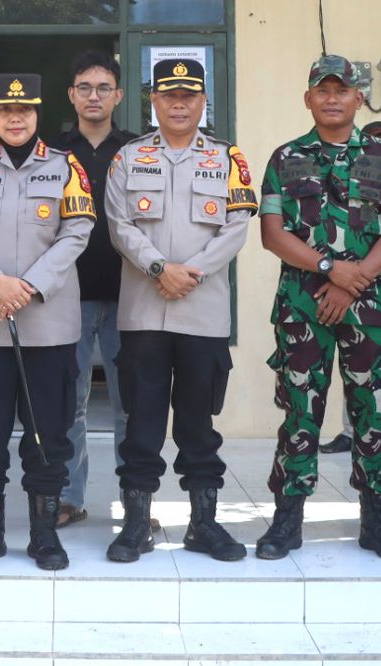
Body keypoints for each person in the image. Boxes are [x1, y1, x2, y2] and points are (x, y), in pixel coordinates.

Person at [256, 56, 381, 563]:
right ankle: (287, 518)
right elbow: (272, 234)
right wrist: (330, 268)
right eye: (322, 90)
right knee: (299, 409)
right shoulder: (285, 157)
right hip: (302, 306)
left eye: (341, 90)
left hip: (370, 305)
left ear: (358, 98)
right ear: (307, 99)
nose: (331, 98)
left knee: (375, 409)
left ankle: (377, 520)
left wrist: (353, 279)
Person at [103, 58, 256, 563]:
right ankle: (135, 525)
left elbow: (236, 226)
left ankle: (203, 525)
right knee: (141, 423)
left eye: (189, 95)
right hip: (143, 314)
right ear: (154, 102)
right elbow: (118, 224)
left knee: (198, 425)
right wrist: (157, 268)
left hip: (202, 312)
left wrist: (189, 273)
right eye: (169, 95)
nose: (179, 104)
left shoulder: (228, 158)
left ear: (203, 101)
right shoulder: (129, 158)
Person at [0, 73, 95, 569]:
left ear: (37, 114)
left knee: (49, 433)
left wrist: (26, 284)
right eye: (6, 111)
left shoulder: (66, 167)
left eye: (24, 110)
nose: (15, 118)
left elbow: (77, 231)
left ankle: (44, 535)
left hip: (47, 325)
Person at [49, 51, 135, 527]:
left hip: (132, 297)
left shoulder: (137, 151)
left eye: (103, 88)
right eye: (85, 88)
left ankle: (135, 498)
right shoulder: (53, 154)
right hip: (68, 296)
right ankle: (68, 498)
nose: (94, 96)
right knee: (69, 405)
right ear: (72, 95)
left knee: (131, 406)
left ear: (118, 95)